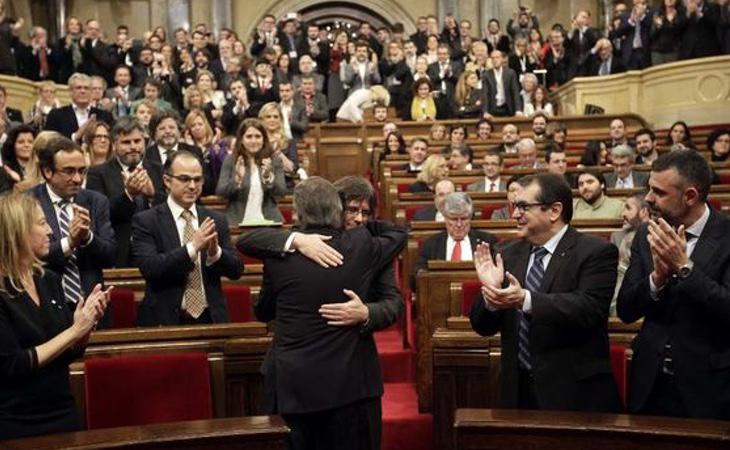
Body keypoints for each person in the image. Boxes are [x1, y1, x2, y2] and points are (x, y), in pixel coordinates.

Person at [240, 177, 406, 450]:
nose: (359, 219)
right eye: (352, 210)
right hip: (310, 385)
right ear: (336, 208)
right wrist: (298, 240)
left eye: (366, 213)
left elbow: (394, 303)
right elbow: (399, 233)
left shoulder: (367, 244)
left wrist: (367, 312)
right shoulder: (361, 244)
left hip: (348, 382)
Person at [470, 173, 622, 412]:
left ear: (554, 211)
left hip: (574, 395)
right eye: (514, 206)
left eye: (523, 207)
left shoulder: (596, 252)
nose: (515, 214)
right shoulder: (506, 253)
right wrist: (491, 294)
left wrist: (526, 300)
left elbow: (589, 309)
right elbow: (482, 326)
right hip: (517, 392)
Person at [617, 150, 730, 419]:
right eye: (649, 189)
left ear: (690, 196)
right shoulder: (647, 232)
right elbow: (625, 309)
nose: (648, 198)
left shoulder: (726, 235)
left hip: (708, 388)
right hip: (650, 384)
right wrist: (656, 279)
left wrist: (684, 268)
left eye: (659, 192)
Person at [0, 193, 110, 440]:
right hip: (14, 421)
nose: (51, 230)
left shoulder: (48, 279)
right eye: (41, 223)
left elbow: (67, 352)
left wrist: (86, 325)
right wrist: (74, 330)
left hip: (62, 412)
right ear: (17, 232)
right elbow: (13, 364)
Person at [132, 150, 242, 326]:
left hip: (210, 318)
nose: (192, 186)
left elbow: (236, 271)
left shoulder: (215, 219)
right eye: (184, 179)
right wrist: (193, 247)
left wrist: (216, 253)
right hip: (165, 320)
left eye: (197, 179)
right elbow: (150, 268)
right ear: (167, 181)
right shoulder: (147, 220)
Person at [30, 137, 116, 328]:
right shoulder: (28, 203)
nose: (77, 179)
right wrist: (69, 243)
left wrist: (87, 237)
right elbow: (30, 258)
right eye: (69, 171)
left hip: (92, 305)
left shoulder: (96, 201)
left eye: (81, 171)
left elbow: (110, 255)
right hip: (46, 308)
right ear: (47, 171)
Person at [86, 117, 165, 267]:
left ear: (145, 142)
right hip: (119, 252)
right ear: (114, 144)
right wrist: (128, 195)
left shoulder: (159, 169)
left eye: (137, 141)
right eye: (126, 142)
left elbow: (171, 210)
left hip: (158, 249)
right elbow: (99, 215)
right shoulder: (98, 173)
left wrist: (152, 195)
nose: (133, 147)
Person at [414, 192, 497, 287]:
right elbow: (416, 278)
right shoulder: (431, 244)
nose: (459, 224)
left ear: (470, 218)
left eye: (464, 218)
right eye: (453, 219)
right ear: (445, 218)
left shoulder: (487, 241)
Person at [216, 118, 286, 225]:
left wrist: (268, 177)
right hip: (238, 221)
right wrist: (237, 180)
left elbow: (281, 192)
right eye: (249, 137)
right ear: (241, 140)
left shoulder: (274, 160)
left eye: (258, 136)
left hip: (268, 221)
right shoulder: (231, 160)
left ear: (264, 139)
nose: (254, 141)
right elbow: (221, 192)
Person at [610, 192, 651, 314]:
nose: (623, 214)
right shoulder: (620, 237)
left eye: (628, 208)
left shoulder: (656, 236)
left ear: (644, 212)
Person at [44, 73, 113, 140]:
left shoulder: (104, 116)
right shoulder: (56, 115)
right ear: (70, 92)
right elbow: (50, 142)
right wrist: (75, 137)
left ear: (91, 92)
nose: (83, 91)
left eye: (86, 88)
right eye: (78, 88)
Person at [481, 50, 523, 118]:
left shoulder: (510, 73)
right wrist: (485, 112)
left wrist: (518, 110)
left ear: (502, 59)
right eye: (493, 58)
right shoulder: (486, 75)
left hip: (507, 108)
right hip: (493, 109)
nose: (495, 60)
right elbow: (485, 94)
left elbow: (515, 91)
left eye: (497, 57)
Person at [0, 124, 36, 194]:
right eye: (21, 142)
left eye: (30, 142)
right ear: (12, 145)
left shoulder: (41, 167)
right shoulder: (5, 171)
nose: (26, 145)